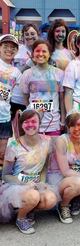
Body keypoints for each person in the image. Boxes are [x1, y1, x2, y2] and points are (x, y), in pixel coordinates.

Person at [0, 109, 57, 234]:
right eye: (26, 122)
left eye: (33, 121)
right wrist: (24, 184)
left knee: (51, 199)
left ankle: (29, 210)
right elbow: (6, 175)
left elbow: (45, 167)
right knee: (33, 196)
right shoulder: (13, 144)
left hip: (36, 183)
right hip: (16, 185)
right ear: (21, 124)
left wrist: (41, 182)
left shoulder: (47, 141)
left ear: (39, 123)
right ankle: (21, 218)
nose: (30, 125)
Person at [20, 39, 65, 136]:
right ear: (33, 54)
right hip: (33, 125)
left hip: (53, 125)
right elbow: (25, 98)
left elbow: (61, 100)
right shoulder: (27, 74)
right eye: (37, 51)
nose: (40, 54)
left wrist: (62, 120)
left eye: (44, 51)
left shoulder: (59, 74)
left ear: (49, 54)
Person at [0, 34, 21, 169]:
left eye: (13, 47)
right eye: (6, 46)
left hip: (5, 118)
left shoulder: (17, 72)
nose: (9, 50)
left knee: (2, 154)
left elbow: (18, 97)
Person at [11, 24, 40, 119]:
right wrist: (29, 63)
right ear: (23, 36)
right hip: (17, 98)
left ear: (38, 35)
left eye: (32, 33)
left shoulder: (43, 51)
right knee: (17, 130)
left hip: (36, 99)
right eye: (26, 34)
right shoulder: (17, 51)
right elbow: (13, 73)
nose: (29, 36)